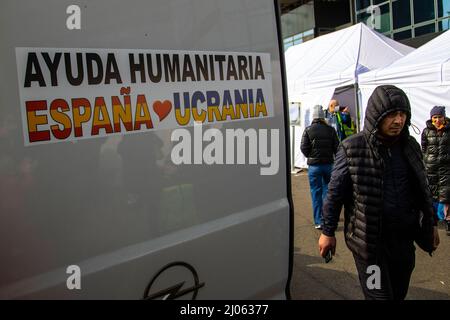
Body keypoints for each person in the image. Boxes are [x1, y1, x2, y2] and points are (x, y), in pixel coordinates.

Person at [318, 85, 439, 300]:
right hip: (371, 248)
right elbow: (334, 194)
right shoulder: (352, 148)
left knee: (398, 294)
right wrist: (327, 232)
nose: (398, 121)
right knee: (378, 297)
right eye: (391, 114)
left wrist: (431, 226)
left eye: (402, 114)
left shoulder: (409, 145)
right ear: (377, 115)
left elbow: (423, 189)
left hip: (403, 243)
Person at [301, 105, 339, 229]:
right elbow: (337, 147)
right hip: (328, 164)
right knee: (328, 193)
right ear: (323, 116)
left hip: (314, 167)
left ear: (313, 117)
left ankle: (318, 221)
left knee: (315, 193)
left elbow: (303, 148)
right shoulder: (331, 130)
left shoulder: (308, 130)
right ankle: (327, 218)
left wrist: (310, 156)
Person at [421, 106, 450, 236]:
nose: (437, 120)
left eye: (439, 117)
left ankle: (448, 221)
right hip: (430, 168)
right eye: (435, 117)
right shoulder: (426, 131)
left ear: (444, 118)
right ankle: (432, 221)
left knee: (446, 196)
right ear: (431, 118)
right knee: (431, 195)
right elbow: (424, 148)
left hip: (446, 169)